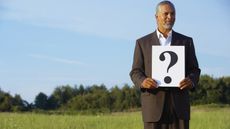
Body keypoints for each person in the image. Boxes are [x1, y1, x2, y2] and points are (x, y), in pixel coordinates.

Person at [129, 1, 201, 129]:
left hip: (179, 108)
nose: (170, 17)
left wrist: (191, 80)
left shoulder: (186, 41)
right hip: (153, 108)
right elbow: (135, 71)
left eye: (173, 14)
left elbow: (195, 70)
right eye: (166, 13)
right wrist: (143, 81)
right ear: (156, 17)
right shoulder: (142, 43)